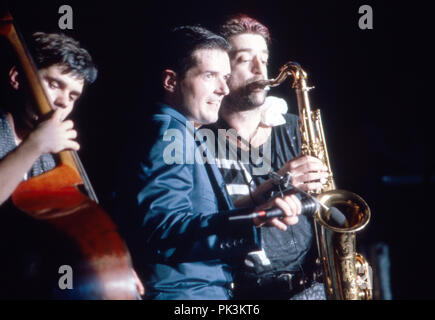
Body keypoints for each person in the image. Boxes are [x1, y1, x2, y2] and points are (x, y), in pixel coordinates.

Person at [115, 25, 303, 300]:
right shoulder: (169, 134)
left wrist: (259, 206)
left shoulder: (184, 131)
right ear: (170, 81)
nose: (223, 89)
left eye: (225, 77)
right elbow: (163, 231)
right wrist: (257, 217)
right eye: (210, 76)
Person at [207, 14, 330, 300]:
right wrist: (279, 183)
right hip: (239, 295)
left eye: (263, 57)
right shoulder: (200, 138)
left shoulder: (295, 128)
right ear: (222, 71)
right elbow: (204, 222)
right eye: (243, 59)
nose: (259, 69)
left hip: (309, 290)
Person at [0, 32, 97, 298]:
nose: (64, 101)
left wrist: (110, 265)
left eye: (74, 95)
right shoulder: (37, 142)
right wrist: (34, 145)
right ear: (17, 78)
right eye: (55, 84)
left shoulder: (55, 156)